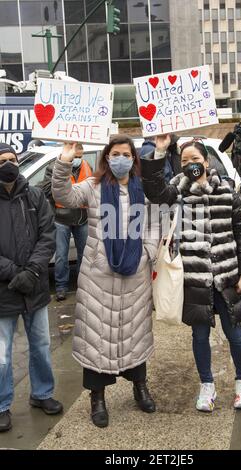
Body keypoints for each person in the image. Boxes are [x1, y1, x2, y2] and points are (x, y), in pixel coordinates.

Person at [141, 135, 241, 412]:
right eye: (184, 161)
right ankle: (207, 385)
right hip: (194, 279)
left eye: (195, 159)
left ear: (207, 161)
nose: (190, 165)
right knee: (199, 335)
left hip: (227, 277)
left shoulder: (227, 193)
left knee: (235, 334)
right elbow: (154, 192)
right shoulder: (176, 191)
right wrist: (159, 151)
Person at [51, 136, 159, 428]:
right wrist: (65, 159)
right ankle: (97, 399)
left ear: (134, 159)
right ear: (107, 157)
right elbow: (63, 194)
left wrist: (147, 253)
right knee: (95, 339)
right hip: (98, 278)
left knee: (135, 333)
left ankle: (140, 387)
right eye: (115, 154)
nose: (120, 158)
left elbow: (153, 223)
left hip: (134, 277)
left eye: (126, 154)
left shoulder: (143, 188)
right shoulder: (94, 186)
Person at [0, 143, 63, 433]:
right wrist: (15, 273)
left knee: (41, 345)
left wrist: (33, 270)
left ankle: (42, 394)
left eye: (12, 159)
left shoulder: (36, 196)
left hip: (34, 288)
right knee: (1, 354)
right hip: (4, 290)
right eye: (2, 161)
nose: (8, 164)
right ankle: (1, 405)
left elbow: (47, 237)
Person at [39, 143, 92, 301]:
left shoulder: (87, 166)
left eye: (80, 157)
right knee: (61, 255)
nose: (78, 159)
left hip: (82, 218)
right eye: (76, 156)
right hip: (61, 218)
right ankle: (61, 287)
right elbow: (46, 190)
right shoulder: (54, 167)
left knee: (85, 255)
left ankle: (84, 285)